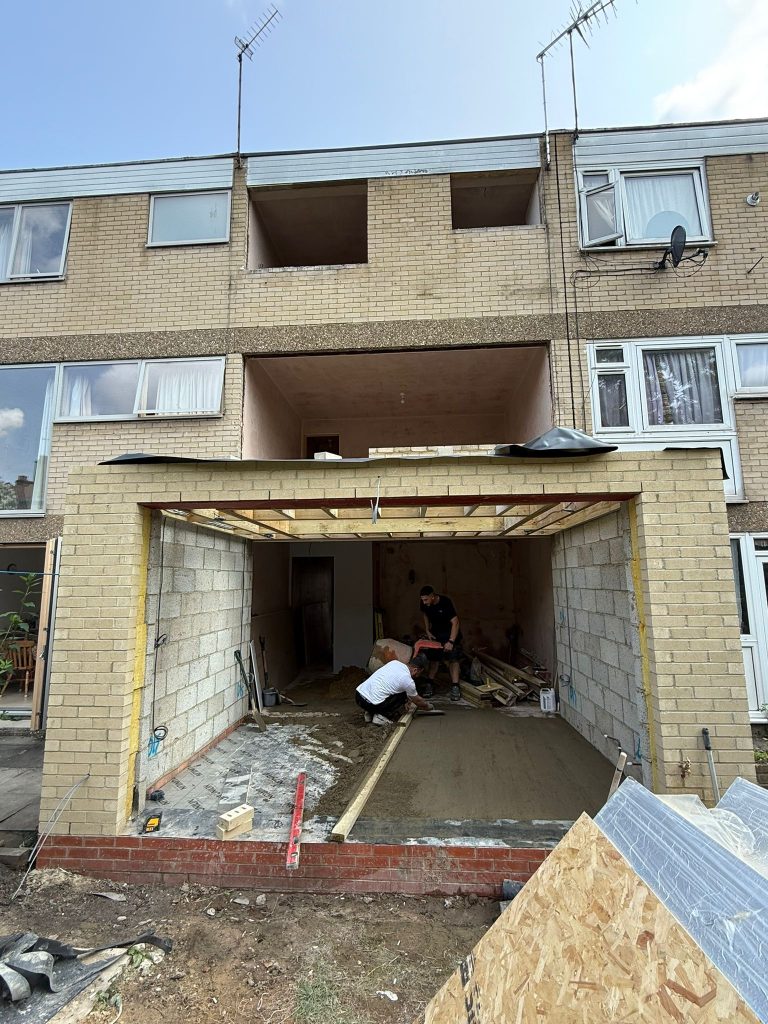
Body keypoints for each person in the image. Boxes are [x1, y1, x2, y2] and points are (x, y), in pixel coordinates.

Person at [355, 655, 433, 725]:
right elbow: (418, 701)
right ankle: (380, 717)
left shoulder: (394, 663)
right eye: (419, 673)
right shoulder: (407, 680)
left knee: (387, 689)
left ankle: (369, 713)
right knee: (401, 694)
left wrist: (408, 700)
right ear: (416, 670)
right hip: (371, 704)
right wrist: (427, 706)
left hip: (359, 696)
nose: (418, 676)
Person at [420, 585, 462, 701]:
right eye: (422, 600)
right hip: (436, 634)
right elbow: (425, 614)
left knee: (453, 659)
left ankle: (455, 687)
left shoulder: (445, 602)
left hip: (450, 634)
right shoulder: (424, 604)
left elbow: (455, 622)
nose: (424, 602)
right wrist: (427, 630)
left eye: (426, 600)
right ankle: (430, 684)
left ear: (432, 597)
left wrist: (451, 641)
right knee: (434, 659)